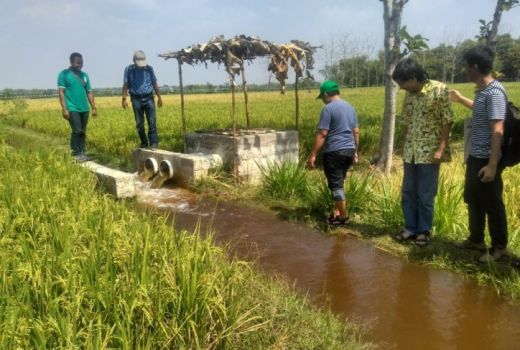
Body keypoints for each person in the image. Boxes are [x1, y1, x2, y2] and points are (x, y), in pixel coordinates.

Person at [450, 46, 508, 262]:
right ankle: (475, 240)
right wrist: (460, 99)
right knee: (473, 199)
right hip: (475, 156)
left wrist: (492, 165)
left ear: (474, 67)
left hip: (487, 157)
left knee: (492, 203)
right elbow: (479, 109)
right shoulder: (484, 92)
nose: (466, 70)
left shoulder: (494, 92)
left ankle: (499, 248)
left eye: (466, 66)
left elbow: (497, 129)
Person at [392, 58, 453, 246]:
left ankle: (424, 231)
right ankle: (410, 228)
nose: (401, 88)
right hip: (411, 151)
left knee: (425, 194)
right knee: (408, 192)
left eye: (402, 83)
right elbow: (406, 123)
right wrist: (401, 147)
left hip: (429, 152)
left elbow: (447, 120)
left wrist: (441, 149)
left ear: (412, 77)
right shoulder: (410, 95)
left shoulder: (439, 89)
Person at [306, 81, 359, 226]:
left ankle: (343, 218)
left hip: (334, 151)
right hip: (348, 150)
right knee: (339, 182)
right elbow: (356, 132)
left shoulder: (328, 109)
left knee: (336, 185)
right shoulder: (350, 108)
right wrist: (355, 151)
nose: (322, 100)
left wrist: (313, 154)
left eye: (322, 97)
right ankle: (336, 213)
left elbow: (323, 133)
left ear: (325, 94)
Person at [58, 52, 97, 161]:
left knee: (83, 131)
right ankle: (75, 153)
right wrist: (64, 109)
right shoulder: (64, 74)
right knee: (77, 130)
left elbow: (89, 92)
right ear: (71, 62)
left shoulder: (85, 76)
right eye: (77, 63)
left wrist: (94, 107)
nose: (80, 65)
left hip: (84, 108)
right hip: (72, 108)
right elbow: (61, 92)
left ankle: (82, 152)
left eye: (81, 63)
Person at [122, 50, 163, 150]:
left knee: (152, 122)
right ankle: (144, 142)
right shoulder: (129, 69)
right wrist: (124, 98)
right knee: (139, 123)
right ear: (134, 61)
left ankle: (153, 143)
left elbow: (154, 83)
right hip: (136, 99)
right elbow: (126, 84)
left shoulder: (149, 69)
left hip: (149, 97)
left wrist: (159, 97)